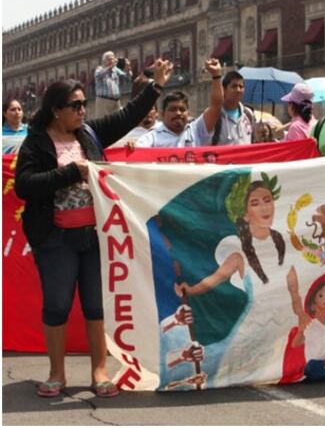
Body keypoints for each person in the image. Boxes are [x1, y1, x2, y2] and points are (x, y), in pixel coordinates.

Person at [15, 60, 170, 398]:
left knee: (96, 305)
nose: (83, 110)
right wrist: (72, 171)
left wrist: (155, 85)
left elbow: (127, 115)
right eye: (76, 105)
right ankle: (57, 374)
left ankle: (99, 371)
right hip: (55, 239)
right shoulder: (36, 143)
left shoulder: (90, 134)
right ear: (56, 110)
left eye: (85, 103)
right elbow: (25, 185)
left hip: (95, 236)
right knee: (57, 305)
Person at [175, 177, 306, 384]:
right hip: (258, 324)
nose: (264, 207)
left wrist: (302, 319)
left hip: (285, 324)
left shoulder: (283, 242)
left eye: (267, 200)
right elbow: (215, 279)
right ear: (245, 214)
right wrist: (190, 290)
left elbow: (294, 290)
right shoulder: (239, 251)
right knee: (227, 371)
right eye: (255, 203)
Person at [180, 59, 256, 146]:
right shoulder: (214, 116)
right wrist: (216, 75)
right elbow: (216, 104)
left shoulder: (248, 115)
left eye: (241, 86)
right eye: (234, 86)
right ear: (224, 90)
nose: (238, 90)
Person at [91, 51, 131, 118]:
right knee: (103, 122)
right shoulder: (99, 69)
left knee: (120, 119)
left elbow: (127, 78)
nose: (111, 61)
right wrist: (110, 67)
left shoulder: (116, 70)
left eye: (113, 59)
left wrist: (128, 69)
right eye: (109, 59)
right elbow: (99, 75)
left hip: (116, 101)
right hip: (103, 101)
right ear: (104, 61)